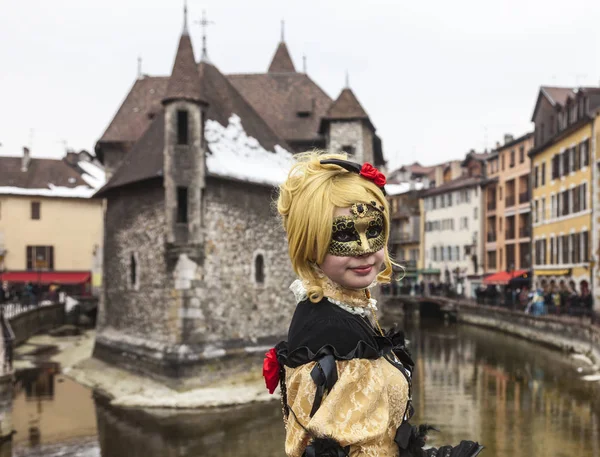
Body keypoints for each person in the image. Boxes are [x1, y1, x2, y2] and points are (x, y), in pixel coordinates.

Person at [263, 152, 483, 457]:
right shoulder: (332, 332)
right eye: (344, 234)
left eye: (374, 230)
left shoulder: (337, 309)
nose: (366, 250)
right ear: (310, 241)